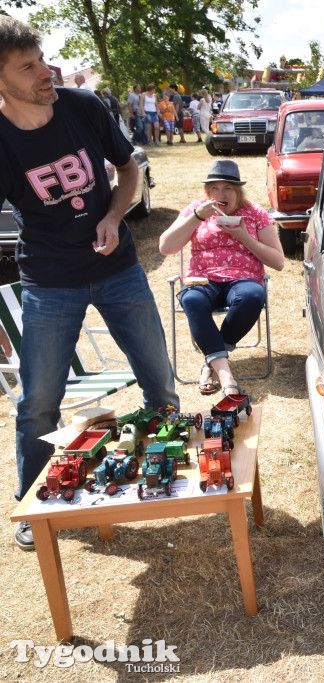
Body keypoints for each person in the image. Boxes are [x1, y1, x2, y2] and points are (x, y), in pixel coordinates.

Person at [0, 16, 178, 550]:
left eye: (43, 59)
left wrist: (115, 215)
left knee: (160, 381)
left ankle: (167, 476)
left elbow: (127, 170)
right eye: (27, 67)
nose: (44, 72)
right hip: (50, 282)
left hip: (120, 270)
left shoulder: (82, 105)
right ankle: (34, 505)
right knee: (39, 401)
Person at [158, 160, 284, 396]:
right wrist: (196, 217)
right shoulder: (197, 210)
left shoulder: (254, 213)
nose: (220, 194)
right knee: (192, 299)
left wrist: (245, 237)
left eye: (227, 188)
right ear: (207, 192)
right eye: (214, 188)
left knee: (253, 295)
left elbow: (278, 261)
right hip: (203, 279)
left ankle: (211, 362)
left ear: (238, 191)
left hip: (243, 278)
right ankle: (226, 375)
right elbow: (166, 247)